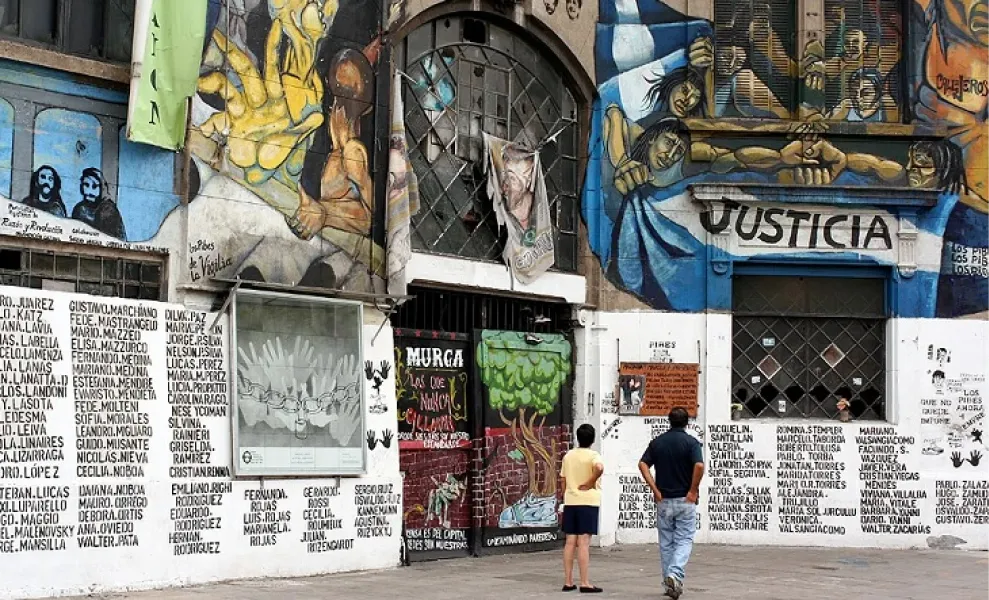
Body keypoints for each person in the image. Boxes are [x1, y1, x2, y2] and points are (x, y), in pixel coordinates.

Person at [638, 407, 704, 599]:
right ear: (686, 422)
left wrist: (655, 489)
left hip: (664, 499)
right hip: (685, 499)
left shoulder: (658, 443)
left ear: (669, 421)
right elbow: (699, 465)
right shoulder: (691, 443)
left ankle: (669, 582)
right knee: (684, 539)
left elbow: (642, 464)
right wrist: (693, 490)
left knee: (666, 542)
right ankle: (675, 574)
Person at [559, 424, 604, 594]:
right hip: (588, 501)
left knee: (570, 541)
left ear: (578, 437)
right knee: (583, 542)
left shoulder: (568, 456)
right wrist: (591, 482)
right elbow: (599, 468)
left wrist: (566, 494)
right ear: (592, 439)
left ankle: (568, 581)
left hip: (571, 501)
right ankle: (585, 582)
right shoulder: (593, 455)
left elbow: (562, 479)